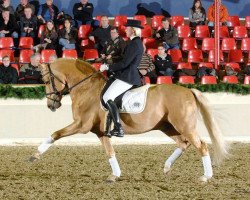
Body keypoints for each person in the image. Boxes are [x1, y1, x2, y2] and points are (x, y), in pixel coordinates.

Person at [99, 19, 144, 138]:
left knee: (107, 97)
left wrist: (108, 66)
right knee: (111, 97)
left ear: (133, 30)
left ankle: (119, 128)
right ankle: (109, 129)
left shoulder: (135, 44)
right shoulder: (135, 43)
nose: (125, 29)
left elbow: (125, 63)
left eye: (127, 28)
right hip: (125, 74)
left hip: (127, 76)